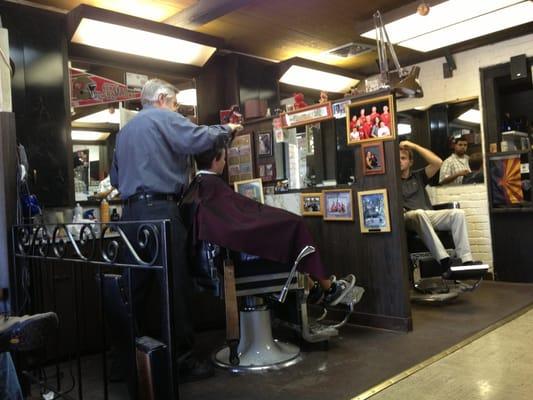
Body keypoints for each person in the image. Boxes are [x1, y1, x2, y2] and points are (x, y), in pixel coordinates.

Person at [109, 78, 243, 385]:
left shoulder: (125, 132)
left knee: (132, 292)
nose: (177, 110)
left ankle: (124, 362)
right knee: (175, 288)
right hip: (160, 212)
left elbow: (116, 178)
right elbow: (196, 139)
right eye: (175, 104)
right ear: (160, 99)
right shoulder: (162, 116)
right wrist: (227, 130)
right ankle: (182, 361)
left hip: (130, 217)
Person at [179, 136, 357, 307]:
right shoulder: (213, 188)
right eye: (224, 159)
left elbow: (233, 223)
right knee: (293, 228)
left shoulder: (196, 189)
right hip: (231, 266)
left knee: (278, 245)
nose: (225, 163)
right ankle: (329, 289)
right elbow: (237, 225)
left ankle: (317, 290)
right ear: (215, 161)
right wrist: (283, 220)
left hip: (208, 266)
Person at [399, 140, 479, 276]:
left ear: (410, 162)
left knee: (457, 214)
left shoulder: (418, 176)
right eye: (397, 159)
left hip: (427, 215)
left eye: (403, 158)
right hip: (407, 218)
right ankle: (444, 260)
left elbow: (437, 162)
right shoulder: (392, 180)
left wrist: (414, 146)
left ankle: (466, 261)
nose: (399, 161)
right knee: (419, 213)